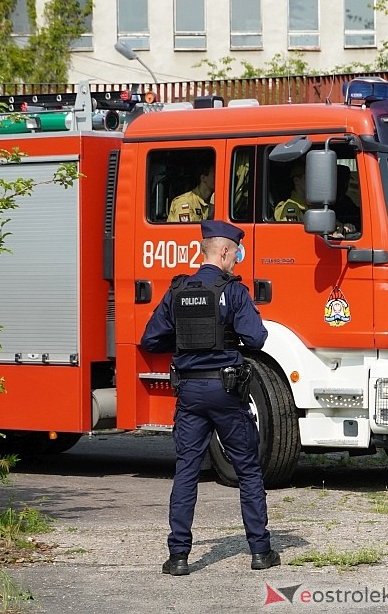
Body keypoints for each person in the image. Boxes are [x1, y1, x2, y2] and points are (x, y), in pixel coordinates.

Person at [140, 219, 280, 576]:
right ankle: (261, 552)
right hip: (226, 390)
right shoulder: (233, 291)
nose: (237, 260)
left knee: (186, 470)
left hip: (189, 391)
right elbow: (257, 339)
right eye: (235, 253)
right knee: (247, 469)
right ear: (223, 251)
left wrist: (188, 345)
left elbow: (151, 340)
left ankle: (179, 557)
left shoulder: (178, 290)